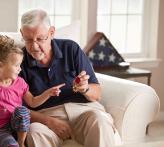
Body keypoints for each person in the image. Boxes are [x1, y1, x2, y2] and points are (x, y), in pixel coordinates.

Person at [19, 8, 116, 147]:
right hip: (46, 116)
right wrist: (47, 121)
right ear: (22, 33)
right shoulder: (18, 62)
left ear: (51, 33)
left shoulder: (71, 48)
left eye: (40, 39)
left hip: (84, 112)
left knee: (100, 121)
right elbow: (18, 108)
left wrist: (86, 89)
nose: (34, 46)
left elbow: (97, 93)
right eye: (28, 40)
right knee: (34, 131)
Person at [0, 34, 65, 147]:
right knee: (10, 145)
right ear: (0, 66)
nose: (20, 69)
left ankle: (21, 142)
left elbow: (33, 102)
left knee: (22, 110)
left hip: (18, 126)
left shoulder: (20, 83)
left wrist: (48, 93)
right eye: (16, 65)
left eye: (20, 65)